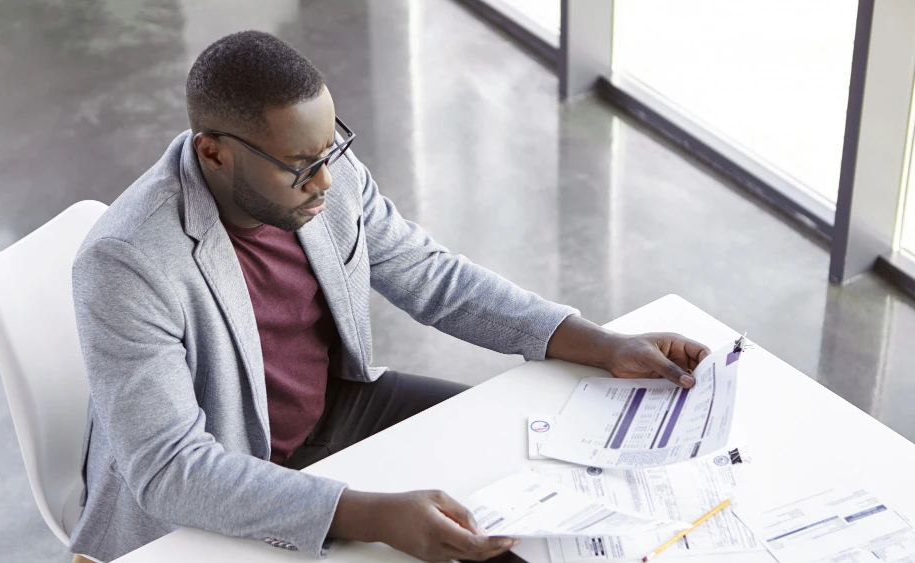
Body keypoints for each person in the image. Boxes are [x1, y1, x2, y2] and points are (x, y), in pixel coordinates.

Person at [68, 31, 709, 563]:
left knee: (528, 469)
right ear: (214, 153)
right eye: (300, 165)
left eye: (332, 147)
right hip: (219, 479)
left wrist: (600, 343)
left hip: (335, 410)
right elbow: (172, 469)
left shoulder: (325, 169)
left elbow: (431, 275)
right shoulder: (126, 262)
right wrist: (368, 513)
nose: (325, 179)